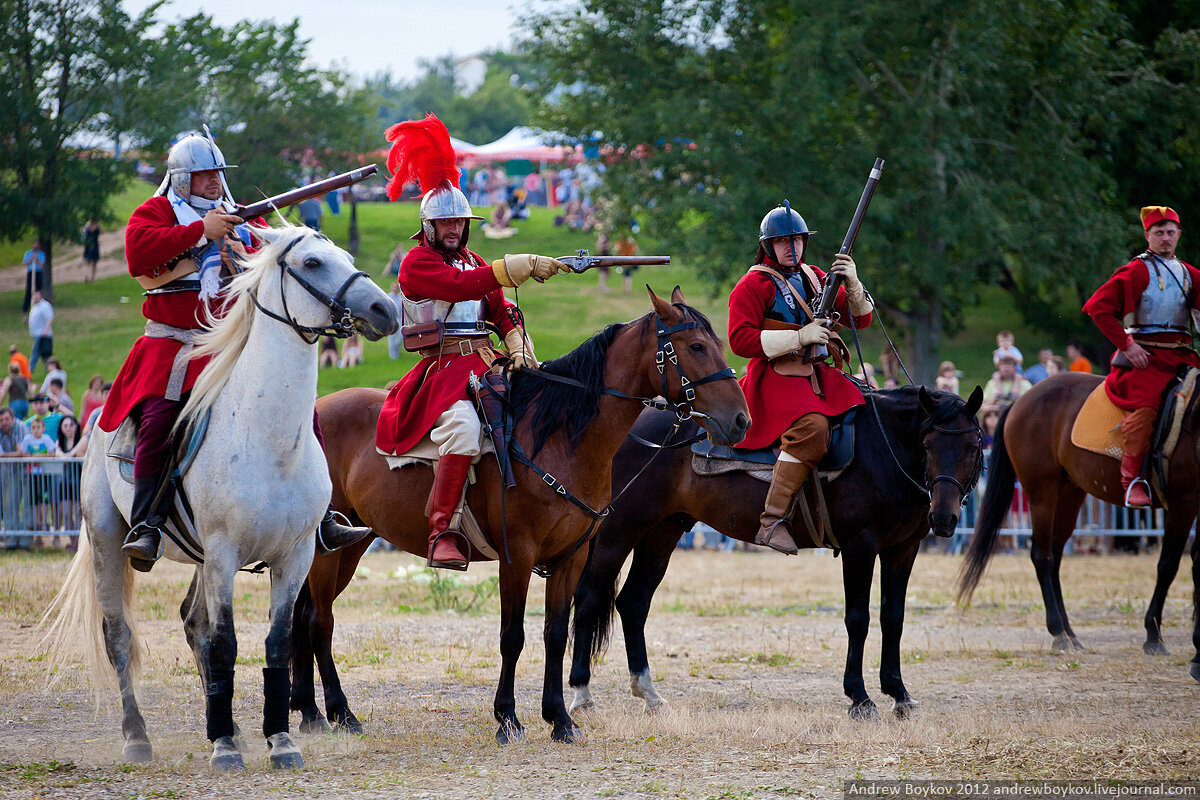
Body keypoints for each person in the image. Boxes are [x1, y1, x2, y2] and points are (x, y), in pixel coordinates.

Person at [103, 131, 370, 572]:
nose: (214, 182)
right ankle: (147, 524)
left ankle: (322, 517)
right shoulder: (157, 212)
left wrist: (232, 238)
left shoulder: (241, 216)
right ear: (184, 179)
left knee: (299, 415)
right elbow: (138, 254)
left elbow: (270, 257)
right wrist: (199, 232)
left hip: (232, 344)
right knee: (159, 420)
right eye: (205, 175)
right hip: (174, 344)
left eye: (218, 174)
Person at [374, 114, 569, 570]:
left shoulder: (474, 259)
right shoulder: (416, 264)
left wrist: (518, 340)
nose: (455, 230)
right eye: (446, 224)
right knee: (462, 427)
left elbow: (500, 306)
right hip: (443, 369)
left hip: (488, 362)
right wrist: (513, 264)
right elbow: (460, 288)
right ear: (427, 227)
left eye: (460, 223)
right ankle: (443, 530)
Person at [727, 203, 874, 554]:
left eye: (796, 240)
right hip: (775, 376)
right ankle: (772, 520)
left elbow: (862, 319)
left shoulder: (814, 275)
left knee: (872, 411)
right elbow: (739, 340)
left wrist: (852, 281)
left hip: (819, 373)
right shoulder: (753, 284)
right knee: (813, 429)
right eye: (782, 241)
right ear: (767, 246)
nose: (791, 247)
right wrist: (799, 337)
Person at [1082, 205, 1200, 508]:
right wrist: (1126, 345)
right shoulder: (1136, 270)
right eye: (1158, 232)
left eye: (1170, 232)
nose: (1165, 238)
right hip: (1145, 362)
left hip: (1183, 358)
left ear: (1178, 235)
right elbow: (1097, 307)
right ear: (1147, 235)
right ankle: (1132, 480)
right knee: (1144, 411)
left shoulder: (1189, 274)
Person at [19, 416, 57, 531]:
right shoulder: (27, 439)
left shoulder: (46, 439)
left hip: (44, 474)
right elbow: (22, 452)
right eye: (33, 427)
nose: (36, 430)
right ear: (30, 429)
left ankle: (44, 521)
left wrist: (37, 458)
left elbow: (51, 453)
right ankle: (37, 522)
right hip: (32, 474)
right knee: (34, 500)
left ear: (43, 428)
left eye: (38, 427)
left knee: (43, 499)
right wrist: (33, 458)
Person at [27, 290, 53, 374]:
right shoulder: (35, 306)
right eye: (34, 296)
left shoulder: (45, 306)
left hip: (42, 334)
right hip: (36, 334)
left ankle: (29, 369)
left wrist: (45, 331)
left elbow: (49, 318)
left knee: (35, 352)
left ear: (40, 295)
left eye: (37, 295)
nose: (35, 297)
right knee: (44, 355)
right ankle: (50, 367)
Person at [21, 241, 45, 314]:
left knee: (38, 289)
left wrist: (37, 259)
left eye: (37, 244)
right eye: (35, 244)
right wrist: (32, 258)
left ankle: (39, 307)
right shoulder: (28, 253)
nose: (36, 245)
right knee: (29, 290)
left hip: (38, 272)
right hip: (31, 272)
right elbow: (25, 263)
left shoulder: (42, 254)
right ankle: (25, 308)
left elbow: (41, 265)